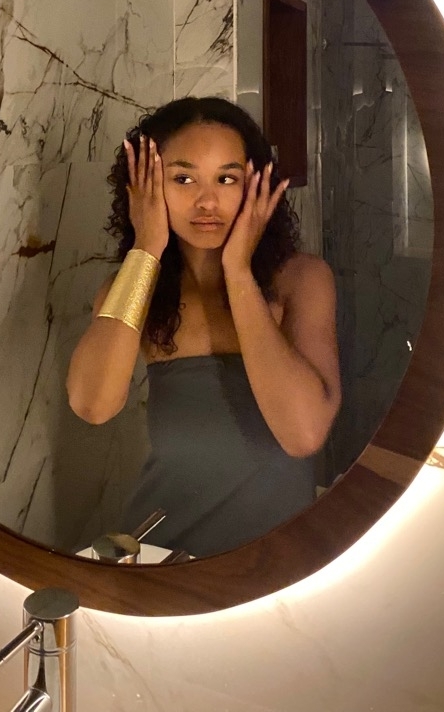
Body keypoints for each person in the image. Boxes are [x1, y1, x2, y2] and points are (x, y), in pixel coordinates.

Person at [66, 96, 340, 557]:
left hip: (277, 567)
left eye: (227, 178)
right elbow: (92, 405)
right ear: (147, 186)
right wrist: (146, 248)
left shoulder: (302, 280)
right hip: (161, 557)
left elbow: (303, 434)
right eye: (183, 178)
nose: (207, 201)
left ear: (255, 185)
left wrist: (238, 272)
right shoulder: (134, 290)